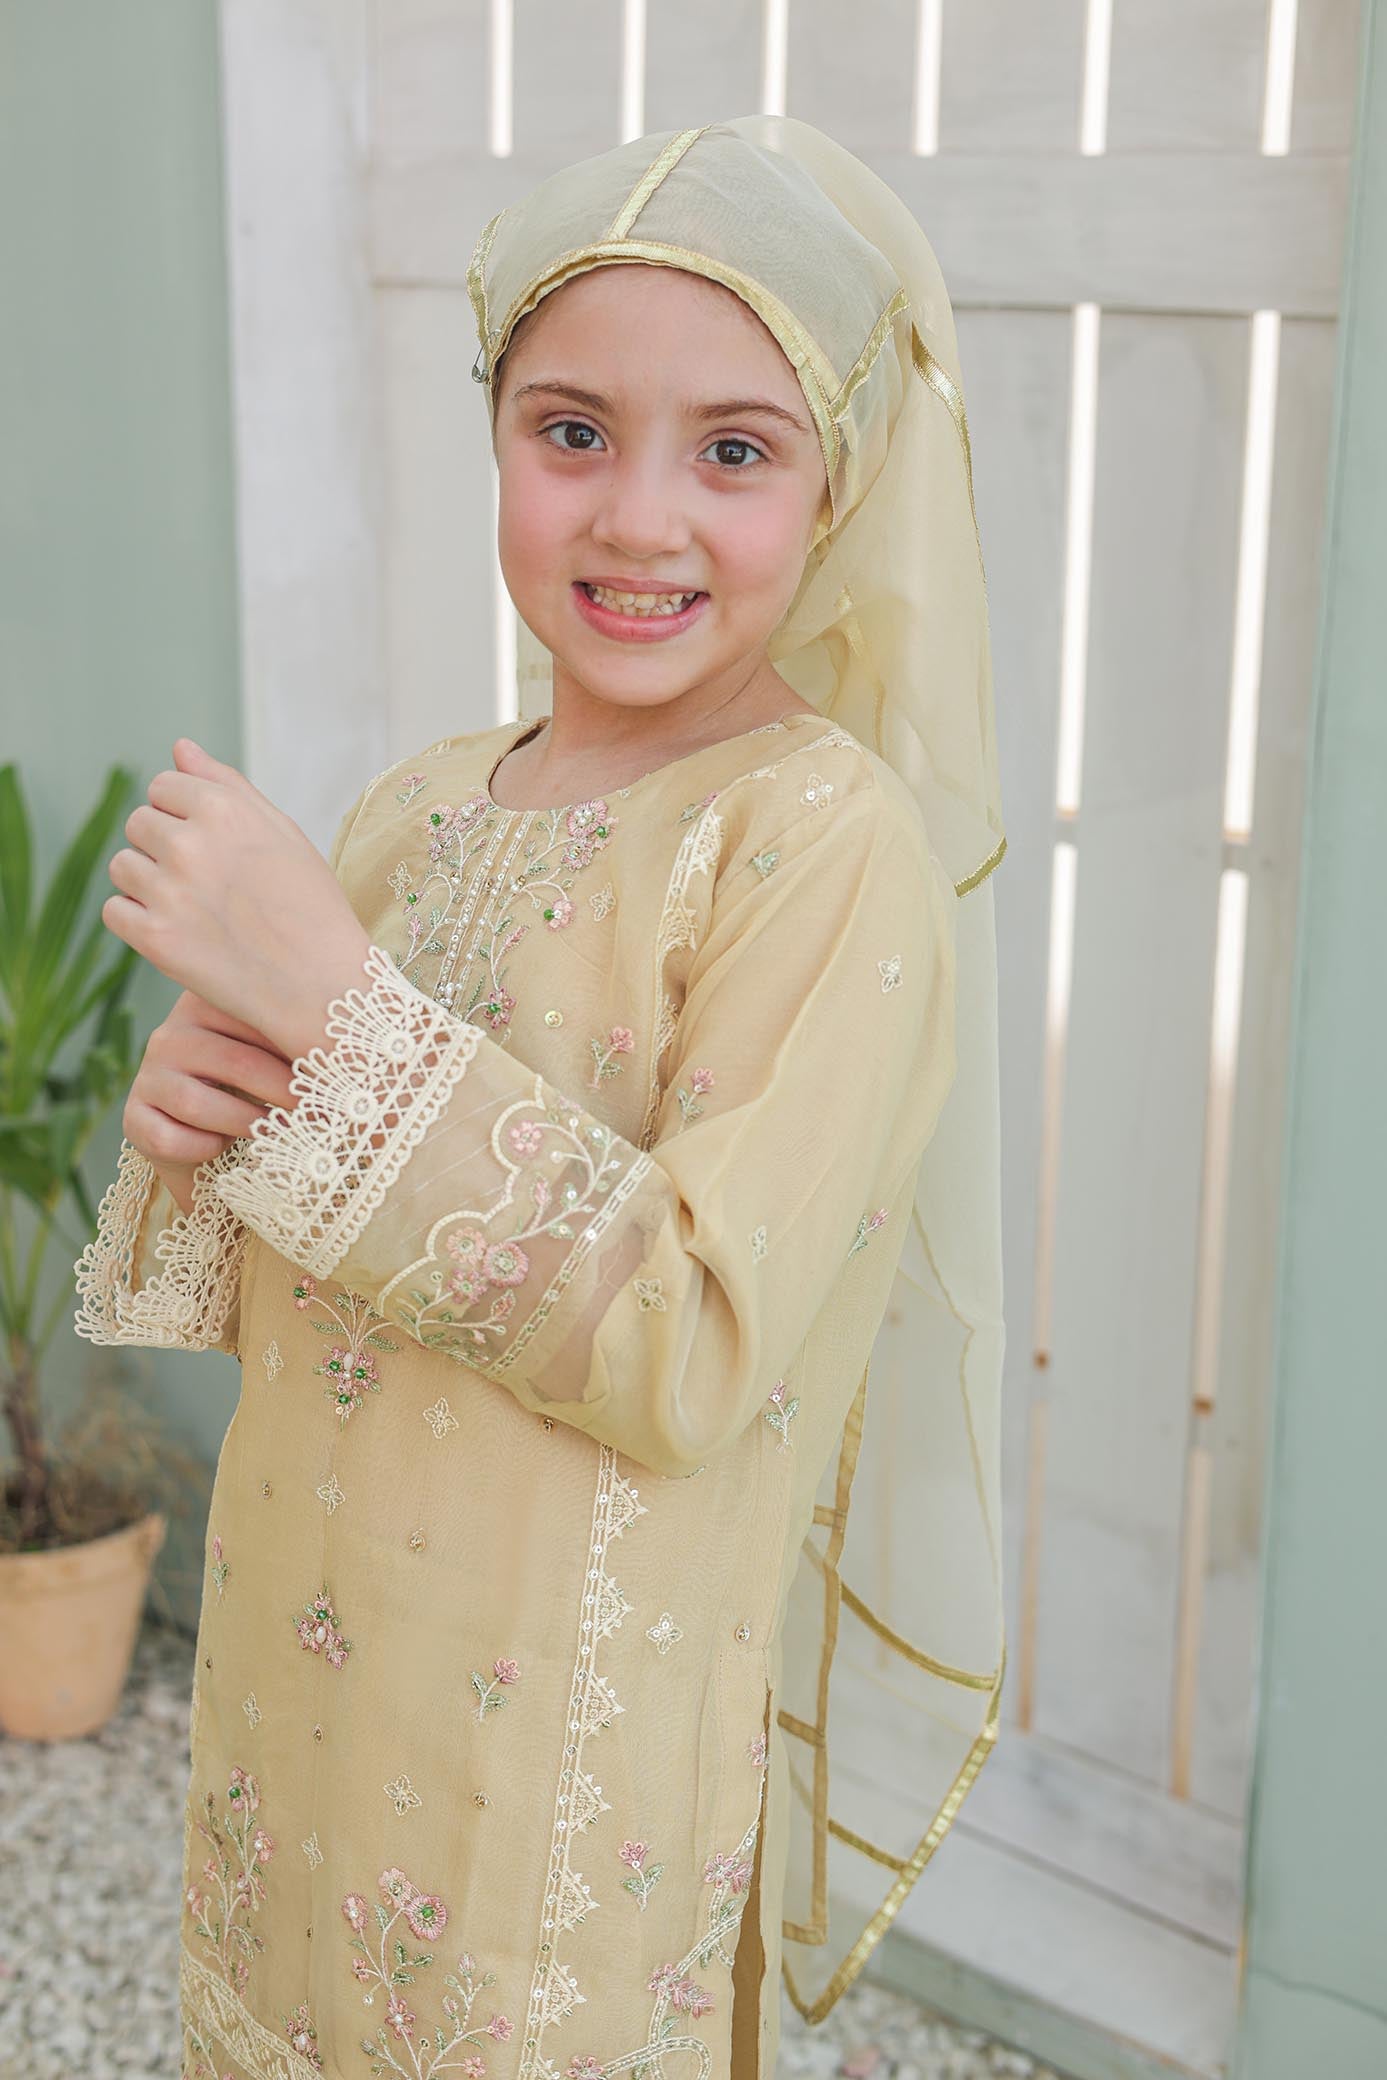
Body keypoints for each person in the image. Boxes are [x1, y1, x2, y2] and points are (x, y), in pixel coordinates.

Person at [74, 115, 1007, 2080]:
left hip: (561, 1763)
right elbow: (317, 1300)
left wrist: (328, 1008)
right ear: (493, 429)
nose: (636, 518)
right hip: (303, 1686)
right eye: (569, 430)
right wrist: (207, 1123)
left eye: (732, 448)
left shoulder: (821, 850)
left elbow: (691, 1336)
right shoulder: (421, 805)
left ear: (837, 479)